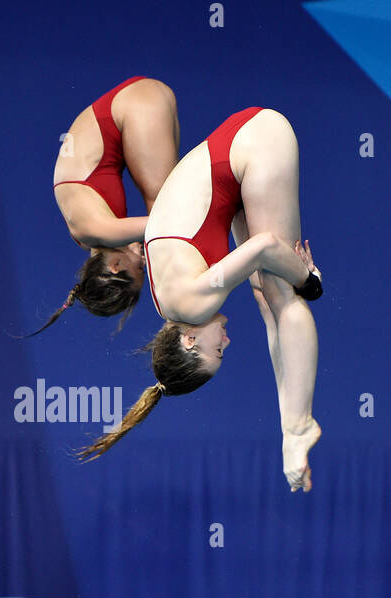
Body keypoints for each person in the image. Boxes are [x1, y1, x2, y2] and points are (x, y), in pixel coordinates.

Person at [79, 107, 324, 493]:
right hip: (234, 148)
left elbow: (265, 246)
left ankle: (298, 427)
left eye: (218, 353)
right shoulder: (168, 304)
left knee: (284, 293)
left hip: (255, 143)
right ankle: (289, 423)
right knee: (266, 296)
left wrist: (307, 279)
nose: (227, 342)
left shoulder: (193, 305)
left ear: (189, 341)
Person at [28, 76, 179, 335]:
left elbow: (166, 224)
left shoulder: (95, 230)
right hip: (134, 100)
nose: (143, 259)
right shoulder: (87, 238)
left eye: (139, 268)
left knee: (166, 214)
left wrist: (175, 307)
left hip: (136, 105)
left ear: (116, 266)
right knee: (170, 219)